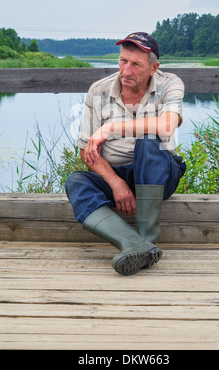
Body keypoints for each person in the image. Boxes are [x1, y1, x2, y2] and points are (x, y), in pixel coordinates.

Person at [65, 32, 186, 276]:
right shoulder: (98, 91)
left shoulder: (170, 83)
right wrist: (115, 182)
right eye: (123, 61)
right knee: (76, 182)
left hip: (159, 173)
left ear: (154, 68)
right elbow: (85, 151)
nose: (126, 71)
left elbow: (166, 127)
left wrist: (110, 127)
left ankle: (146, 238)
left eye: (136, 64)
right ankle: (134, 245)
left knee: (149, 140)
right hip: (116, 173)